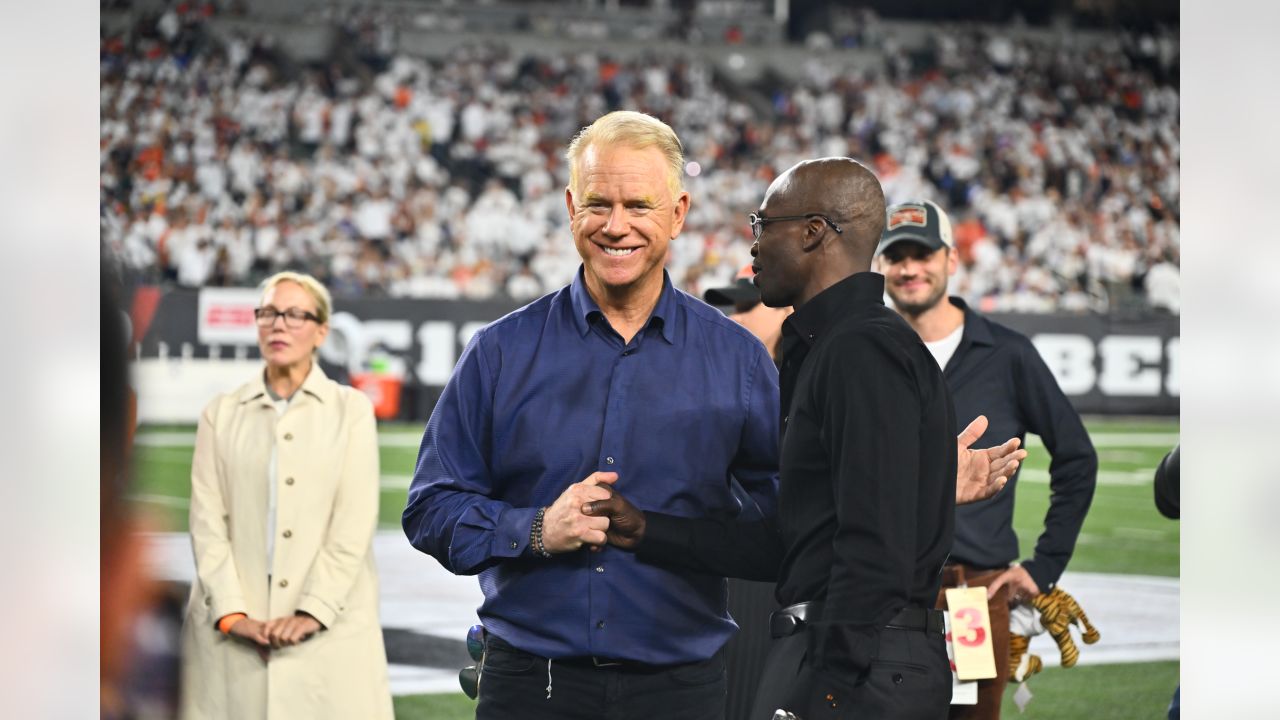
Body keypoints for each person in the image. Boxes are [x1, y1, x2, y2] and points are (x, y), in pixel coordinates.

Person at [404, 114, 1022, 720]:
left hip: (682, 688)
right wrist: (536, 529)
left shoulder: (741, 360)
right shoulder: (500, 351)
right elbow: (429, 509)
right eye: (598, 204)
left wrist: (920, 487)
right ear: (571, 207)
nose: (616, 225)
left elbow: (799, 526)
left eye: (639, 205)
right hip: (530, 683)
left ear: (677, 214)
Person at [584, 157, 1017, 719]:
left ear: (813, 232)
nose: (753, 246)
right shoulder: (831, 346)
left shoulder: (861, 349)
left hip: (859, 665)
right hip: (847, 653)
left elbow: (874, 545)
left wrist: (831, 686)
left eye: (762, 225)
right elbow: (799, 541)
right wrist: (649, 531)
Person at [875, 200, 1099, 720]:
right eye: (896, 256)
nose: (909, 268)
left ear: (951, 259)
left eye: (923, 254)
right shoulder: (866, 352)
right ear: (880, 266)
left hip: (970, 595)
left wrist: (1043, 568)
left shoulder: (1007, 353)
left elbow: (1077, 458)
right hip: (879, 590)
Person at [179, 271, 393, 720]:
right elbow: (206, 524)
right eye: (269, 313)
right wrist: (233, 615)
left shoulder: (350, 410)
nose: (279, 325)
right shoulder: (220, 414)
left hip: (330, 633)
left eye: (296, 315)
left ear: (320, 332)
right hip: (231, 637)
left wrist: (312, 611)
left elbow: (352, 525)